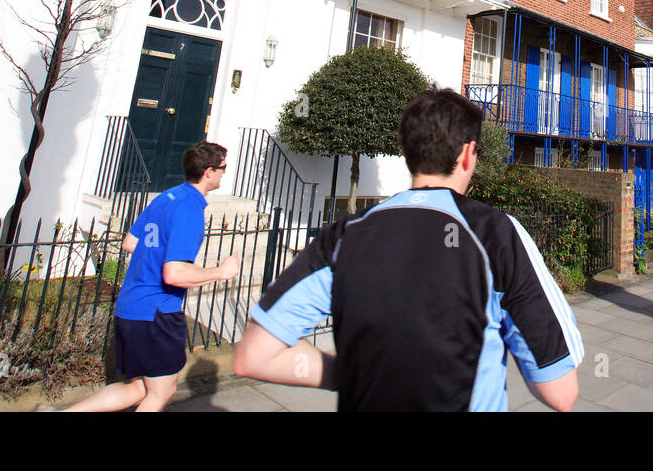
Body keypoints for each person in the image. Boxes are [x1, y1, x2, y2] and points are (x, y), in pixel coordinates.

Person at [233, 88, 583, 411]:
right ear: (466, 154)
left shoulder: (343, 235)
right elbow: (560, 391)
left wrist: (353, 373)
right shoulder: (496, 233)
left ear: (408, 153)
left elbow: (254, 356)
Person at [65, 141, 240, 412]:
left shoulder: (167, 197)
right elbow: (175, 274)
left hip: (130, 306)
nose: (224, 173)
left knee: (140, 388)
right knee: (161, 393)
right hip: (156, 314)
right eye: (223, 168)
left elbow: (130, 242)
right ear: (208, 172)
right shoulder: (190, 209)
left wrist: (157, 255)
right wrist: (221, 272)